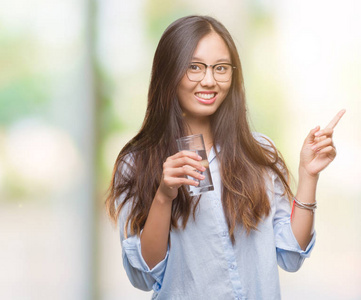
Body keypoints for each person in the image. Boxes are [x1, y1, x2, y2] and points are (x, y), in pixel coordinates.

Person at [105, 15, 345, 299]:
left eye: (220, 68)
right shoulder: (137, 162)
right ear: (169, 72)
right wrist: (164, 195)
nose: (209, 80)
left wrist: (309, 175)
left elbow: (291, 256)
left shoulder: (260, 152)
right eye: (194, 67)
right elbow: (144, 277)